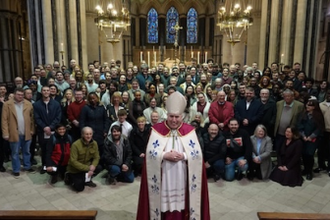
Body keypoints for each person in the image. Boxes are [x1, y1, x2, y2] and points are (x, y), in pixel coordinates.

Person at [137, 91, 210, 220]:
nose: (174, 120)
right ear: (166, 115)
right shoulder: (156, 130)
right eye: (171, 116)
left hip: (182, 175)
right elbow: (150, 154)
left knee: (182, 204)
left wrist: (183, 156)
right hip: (163, 176)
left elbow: (197, 155)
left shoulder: (189, 131)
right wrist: (164, 155)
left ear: (182, 116)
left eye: (177, 117)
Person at [1, 88, 35, 177]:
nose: (20, 96)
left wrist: (32, 130)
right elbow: (4, 120)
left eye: (22, 95)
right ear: (14, 94)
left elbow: (32, 119)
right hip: (14, 133)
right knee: (15, 153)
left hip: (26, 132)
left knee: (27, 151)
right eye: (18, 94)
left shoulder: (28, 104)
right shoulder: (7, 105)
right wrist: (5, 133)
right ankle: (16, 169)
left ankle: (27, 166)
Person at [65, 127, 100, 192]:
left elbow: (96, 157)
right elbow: (73, 161)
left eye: (90, 134)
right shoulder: (75, 145)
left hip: (86, 166)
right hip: (75, 169)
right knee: (79, 188)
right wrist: (88, 168)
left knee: (99, 167)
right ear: (82, 135)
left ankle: (87, 179)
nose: (89, 136)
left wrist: (93, 165)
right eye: (86, 134)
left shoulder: (94, 143)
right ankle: (69, 176)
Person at [298, 98, 325, 180]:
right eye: (307, 105)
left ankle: (309, 171)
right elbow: (299, 125)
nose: (307, 106)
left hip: (313, 139)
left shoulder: (318, 116)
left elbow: (319, 128)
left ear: (314, 107)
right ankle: (305, 169)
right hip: (303, 138)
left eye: (310, 105)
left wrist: (311, 136)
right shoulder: (303, 114)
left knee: (310, 155)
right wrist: (303, 136)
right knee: (304, 154)